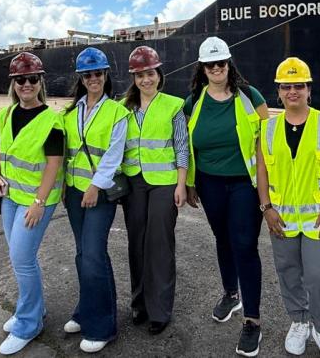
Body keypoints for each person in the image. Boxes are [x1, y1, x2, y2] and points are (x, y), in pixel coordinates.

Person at [256, 57, 320, 358]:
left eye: (299, 85)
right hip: (281, 219)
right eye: (286, 86)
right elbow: (262, 171)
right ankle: (299, 322)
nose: (292, 91)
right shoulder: (267, 129)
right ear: (279, 91)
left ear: (309, 89)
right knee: (288, 273)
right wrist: (266, 208)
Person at [184, 36, 269, 357]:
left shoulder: (250, 96)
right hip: (209, 184)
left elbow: (269, 140)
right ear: (202, 68)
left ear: (228, 64)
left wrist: (269, 186)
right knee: (222, 238)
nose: (216, 68)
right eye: (210, 64)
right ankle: (231, 294)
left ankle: (252, 321)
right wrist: (189, 183)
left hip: (245, 185)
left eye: (221, 63)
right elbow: (185, 146)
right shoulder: (193, 101)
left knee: (245, 245)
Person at [0, 52, 65, 355]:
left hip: (36, 201)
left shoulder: (52, 119)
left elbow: (53, 164)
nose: (27, 84)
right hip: (10, 198)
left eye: (33, 79)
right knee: (19, 258)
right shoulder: (5, 114)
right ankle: (34, 309)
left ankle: (29, 324)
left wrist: (39, 202)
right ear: (13, 83)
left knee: (22, 258)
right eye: (21, 79)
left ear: (40, 82)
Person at [62, 47, 129, 353]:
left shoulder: (117, 112)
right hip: (74, 192)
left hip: (99, 194)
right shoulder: (71, 113)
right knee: (82, 254)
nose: (93, 79)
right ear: (81, 78)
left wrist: (95, 186)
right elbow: (66, 154)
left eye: (98, 74)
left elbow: (114, 155)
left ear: (105, 76)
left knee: (92, 254)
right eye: (88, 75)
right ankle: (85, 309)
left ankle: (102, 326)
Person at [119, 46, 190, 335]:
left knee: (159, 245)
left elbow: (182, 145)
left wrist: (182, 184)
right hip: (133, 182)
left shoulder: (173, 105)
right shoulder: (123, 108)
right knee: (136, 242)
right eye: (139, 75)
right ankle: (140, 304)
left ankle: (160, 310)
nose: (145, 80)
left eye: (150, 73)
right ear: (134, 78)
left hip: (164, 183)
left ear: (159, 75)